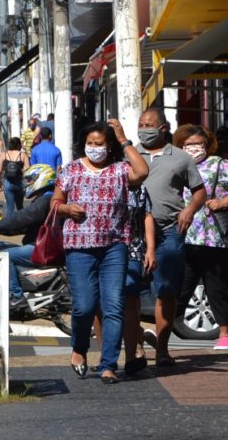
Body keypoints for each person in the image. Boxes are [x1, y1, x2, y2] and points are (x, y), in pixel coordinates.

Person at [52, 119, 148, 384]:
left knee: (113, 306)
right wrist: (67, 209)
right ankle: (79, 348)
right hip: (79, 247)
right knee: (84, 306)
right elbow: (55, 202)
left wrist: (123, 139)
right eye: (90, 144)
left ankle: (108, 365)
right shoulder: (70, 170)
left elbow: (142, 171)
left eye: (100, 144)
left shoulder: (120, 169)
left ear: (109, 146)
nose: (94, 148)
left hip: (114, 246)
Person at [135, 107, 206, 367]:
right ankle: (136, 348)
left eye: (149, 124)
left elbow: (199, 191)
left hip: (169, 232)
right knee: (129, 291)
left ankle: (162, 349)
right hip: (134, 233)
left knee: (166, 290)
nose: (144, 129)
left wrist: (189, 209)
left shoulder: (180, 158)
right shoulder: (129, 155)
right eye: (141, 124)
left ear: (164, 127)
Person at [173, 124, 228, 352]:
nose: (193, 149)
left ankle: (225, 334)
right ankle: (163, 332)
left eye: (198, 144)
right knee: (178, 286)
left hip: (215, 238)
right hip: (183, 236)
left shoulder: (221, 165)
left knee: (219, 286)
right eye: (188, 145)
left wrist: (223, 202)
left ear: (207, 145)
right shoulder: (174, 166)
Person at [0, 164, 56, 308]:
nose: (27, 183)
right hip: (41, 245)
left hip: (41, 249)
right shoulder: (45, 198)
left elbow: (22, 218)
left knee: (3, 257)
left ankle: (16, 296)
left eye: (30, 180)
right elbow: (27, 226)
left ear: (43, 178)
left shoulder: (46, 199)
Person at [0, 137, 29, 220]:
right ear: (19, 145)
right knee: (20, 206)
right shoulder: (22, 155)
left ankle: (9, 226)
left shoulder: (4, 154)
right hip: (19, 182)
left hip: (7, 182)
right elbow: (28, 170)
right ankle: (22, 225)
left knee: (9, 207)